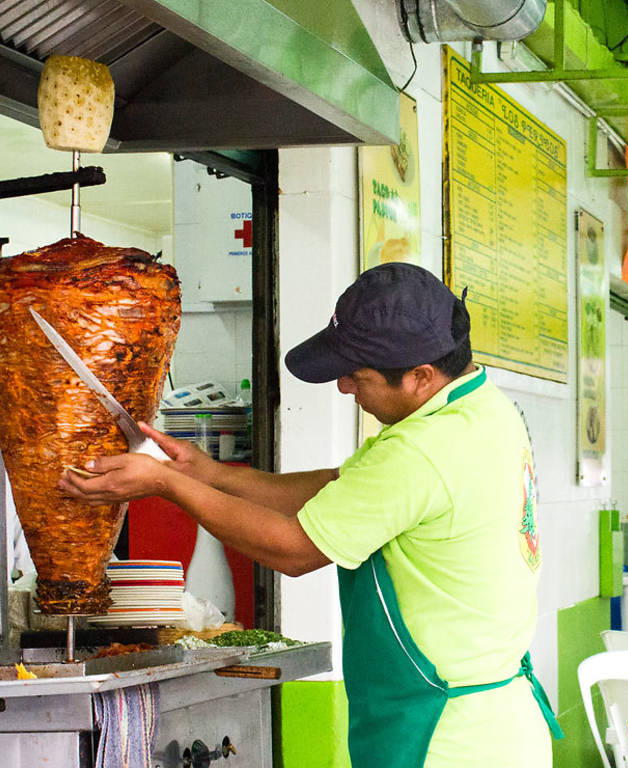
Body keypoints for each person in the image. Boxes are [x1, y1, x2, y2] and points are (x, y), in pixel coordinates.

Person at [59, 263, 561, 768]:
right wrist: (209, 474)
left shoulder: (423, 451)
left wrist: (166, 483)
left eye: (356, 375)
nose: (345, 387)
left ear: (420, 376)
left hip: (447, 738)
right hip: (495, 720)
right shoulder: (479, 411)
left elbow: (292, 549)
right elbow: (339, 488)